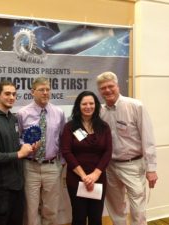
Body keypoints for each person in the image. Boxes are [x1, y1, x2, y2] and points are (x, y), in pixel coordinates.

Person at [96, 71, 158, 225]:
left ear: (118, 86)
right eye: (103, 88)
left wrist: (151, 168)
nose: (108, 90)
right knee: (116, 208)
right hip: (109, 166)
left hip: (133, 165)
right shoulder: (100, 111)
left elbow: (148, 138)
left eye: (111, 86)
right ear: (99, 91)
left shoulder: (135, 106)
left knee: (138, 208)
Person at [0, 80, 35, 225]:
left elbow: (16, 146)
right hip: (0, 189)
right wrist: (19, 154)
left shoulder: (13, 118)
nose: (11, 97)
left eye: (14, 94)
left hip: (17, 185)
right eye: (7, 93)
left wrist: (28, 147)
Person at [17, 77, 66, 225]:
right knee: (31, 210)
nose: (45, 93)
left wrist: (62, 162)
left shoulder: (59, 112)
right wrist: (26, 145)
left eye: (48, 89)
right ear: (32, 92)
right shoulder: (22, 113)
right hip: (30, 166)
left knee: (51, 209)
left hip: (52, 166)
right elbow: (17, 138)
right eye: (41, 90)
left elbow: (63, 138)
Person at [60, 91, 112, 225]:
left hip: (98, 178)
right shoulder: (70, 127)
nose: (88, 106)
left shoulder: (104, 127)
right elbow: (66, 152)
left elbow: (108, 151)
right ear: (78, 106)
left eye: (91, 103)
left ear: (96, 105)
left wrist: (95, 174)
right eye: (84, 103)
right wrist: (84, 176)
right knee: (79, 217)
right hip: (76, 178)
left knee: (96, 218)